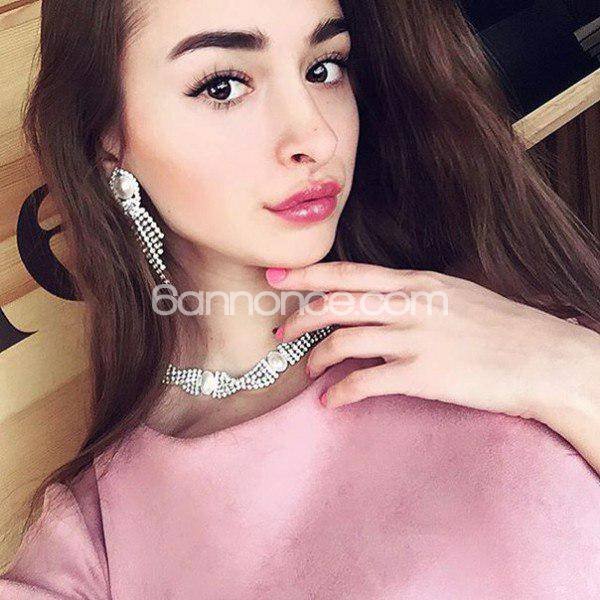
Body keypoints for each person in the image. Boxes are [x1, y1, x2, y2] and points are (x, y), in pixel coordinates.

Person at [1, 0, 599, 597]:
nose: (316, 135)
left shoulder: (493, 307)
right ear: (108, 138)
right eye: (223, 86)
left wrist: (572, 371)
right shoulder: (96, 545)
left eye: (324, 68)